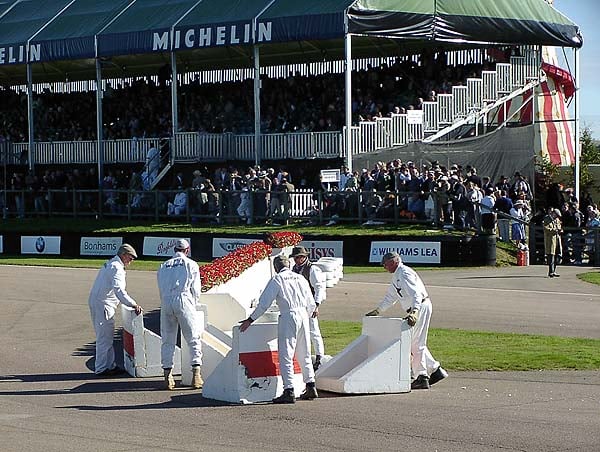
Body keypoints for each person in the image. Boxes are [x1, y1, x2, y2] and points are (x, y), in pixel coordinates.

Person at [239, 255, 317, 404]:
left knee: (286, 355)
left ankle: (289, 390)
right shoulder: (300, 278)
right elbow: (311, 303)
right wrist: (305, 316)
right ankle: (310, 385)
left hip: (289, 315)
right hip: (303, 315)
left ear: (276, 267)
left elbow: (264, 303)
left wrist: (251, 319)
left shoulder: (277, 279)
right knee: (304, 352)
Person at [365, 252, 447, 390]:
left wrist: (415, 311)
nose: (384, 267)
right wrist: (378, 310)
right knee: (414, 342)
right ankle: (435, 369)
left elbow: (416, 293)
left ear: (393, 262)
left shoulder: (404, 273)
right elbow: (391, 296)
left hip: (420, 306)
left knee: (415, 343)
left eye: (385, 264)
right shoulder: (397, 276)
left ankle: (422, 376)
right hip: (416, 308)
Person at [88, 244, 143, 376]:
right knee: (104, 338)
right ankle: (101, 368)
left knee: (107, 336)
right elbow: (119, 290)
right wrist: (133, 304)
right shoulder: (117, 268)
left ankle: (110, 365)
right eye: (130, 258)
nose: (132, 261)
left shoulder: (111, 263)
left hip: (99, 302)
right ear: (123, 255)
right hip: (104, 304)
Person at [157, 239, 203, 390]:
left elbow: (160, 288)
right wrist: (194, 305)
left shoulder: (163, 265)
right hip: (183, 299)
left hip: (166, 301)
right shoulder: (191, 264)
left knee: (167, 339)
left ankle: (167, 375)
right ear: (187, 250)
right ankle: (196, 375)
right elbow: (196, 290)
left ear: (174, 250)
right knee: (193, 337)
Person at [290, 246, 326, 370]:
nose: (296, 260)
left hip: (309, 304)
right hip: (298, 304)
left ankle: (319, 356)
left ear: (304, 257)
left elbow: (319, 288)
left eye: (299, 257)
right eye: (295, 257)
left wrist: (316, 305)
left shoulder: (312, 269)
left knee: (313, 331)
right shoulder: (294, 269)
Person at [543, 208, 563, 277]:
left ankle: (554, 271)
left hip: (557, 239)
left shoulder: (557, 220)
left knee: (558, 255)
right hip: (550, 240)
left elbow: (559, 226)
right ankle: (551, 272)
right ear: (553, 213)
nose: (557, 217)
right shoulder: (547, 219)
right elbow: (546, 229)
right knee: (551, 256)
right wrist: (555, 230)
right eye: (556, 215)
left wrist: (560, 230)